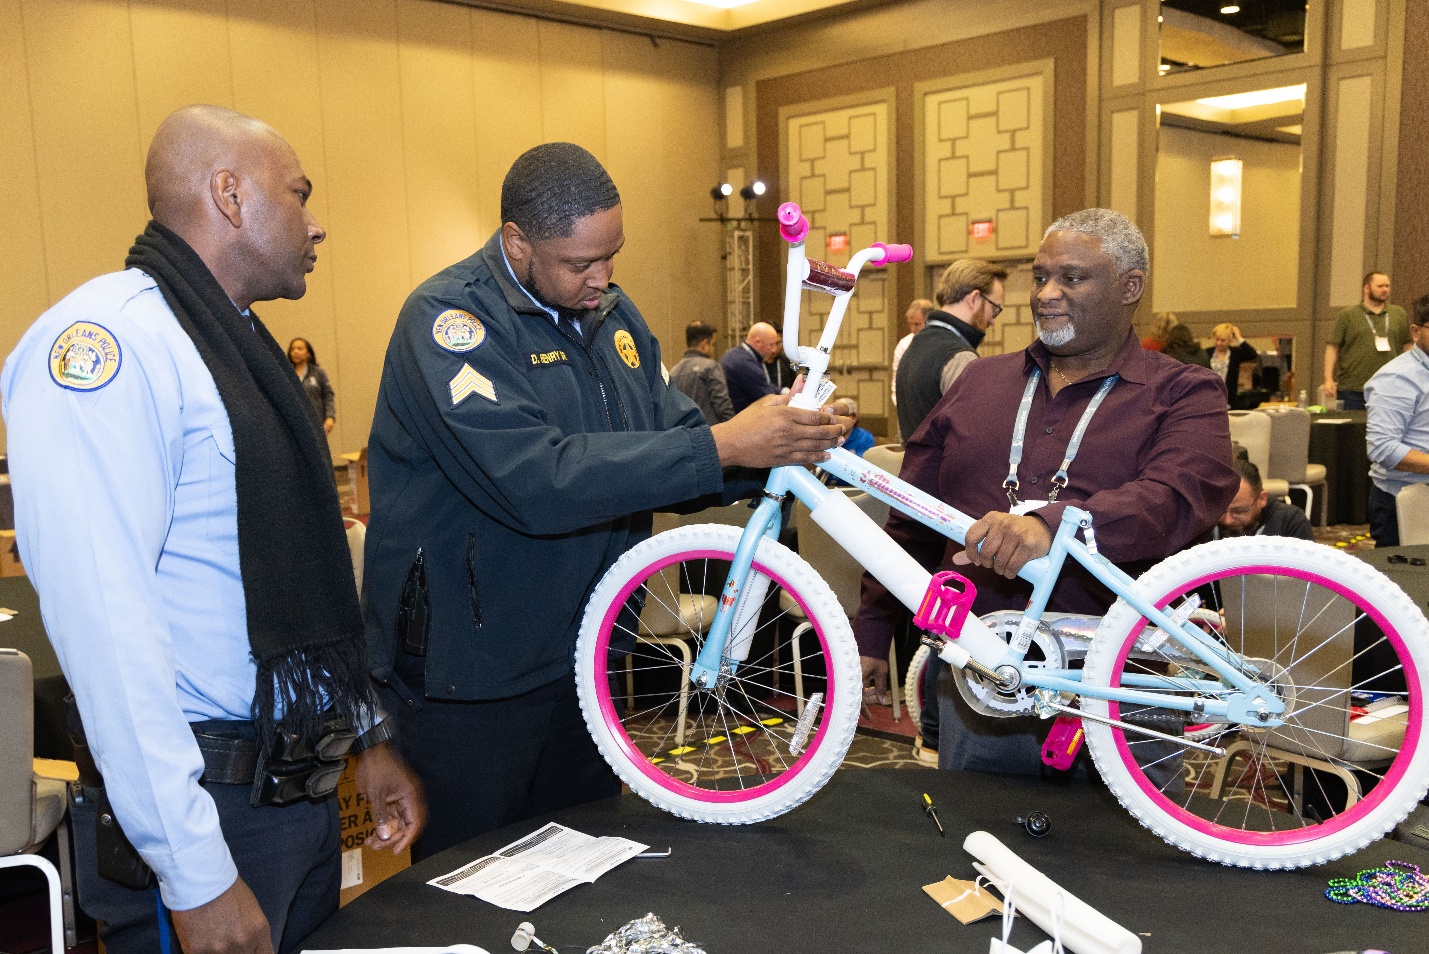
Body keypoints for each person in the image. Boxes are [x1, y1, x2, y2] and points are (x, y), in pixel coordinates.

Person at [1, 105, 422, 954]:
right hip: (205, 813)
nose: (317, 222)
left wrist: (364, 740)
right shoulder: (109, 345)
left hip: (294, 792)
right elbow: (106, 633)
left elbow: (295, 578)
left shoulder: (237, 345)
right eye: (298, 195)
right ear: (229, 195)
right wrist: (192, 869)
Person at [362, 142, 852, 861]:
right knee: (471, 888)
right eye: (580, 263)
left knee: (588, 870)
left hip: (585, 655)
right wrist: (725, 446)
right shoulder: (447, 324)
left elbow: (675, 443)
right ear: (517, 242)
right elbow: (535, 480)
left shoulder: (612, 319)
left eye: (612, 255)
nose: (603, 278)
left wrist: (778, 442)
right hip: (474, 674)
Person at [853, 208, 1238, 779]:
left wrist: (1054, 526)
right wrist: (873, 629)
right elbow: (912, 517)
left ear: (1130, 287)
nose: (1046, 294)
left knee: (1125, 859)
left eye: (1073, 278)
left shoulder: (1183, 392)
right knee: (976, 846)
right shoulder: (979, 384)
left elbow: (1177, 496)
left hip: (1121, 688)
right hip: (982, 679)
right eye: (1039, 277)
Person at [894, 259, 1007, 441]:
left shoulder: (914, 345)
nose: (993, 320)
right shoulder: (959, 357)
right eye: (995, 309)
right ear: (974, 299)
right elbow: (972, 439)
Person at [1364, 295, 1429, 547]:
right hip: (1402, 500)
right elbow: (1382, 448)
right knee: (1403, 584)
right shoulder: (1397, 378)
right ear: (1415, 331)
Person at [1325, 271, 1411, 410]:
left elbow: (1408, 346)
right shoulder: (1348, 315)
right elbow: (1332, 347)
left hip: (1389, 388)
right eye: (1380, 286)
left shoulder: (1398, 313)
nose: (1385, 290)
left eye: (1387, 286)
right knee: (1353, 430)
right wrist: (1328, 378)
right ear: (1366, 288)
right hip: (1353, 389)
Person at [1214, 458, 1314, 540]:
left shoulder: (1290, 522)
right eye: (1220, 511)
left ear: (1262, 499)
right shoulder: (1205, 520)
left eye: (1239, 511)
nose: (1228, 520)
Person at [669, 321, 735, 425]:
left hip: (685, 435)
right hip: (710, 433)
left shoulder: (673, 371)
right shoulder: (711, 367)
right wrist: (733, 426)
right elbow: (722, 405)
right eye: (713, 344)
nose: (713, 349)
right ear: (704, 344)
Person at [721, 321, 784, 412]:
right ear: (758, 342)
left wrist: (782, 390)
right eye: (771, 345)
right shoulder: (744, 364)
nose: (774, 350)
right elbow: (768, 396)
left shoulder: (736, 355)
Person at [890, 298, 934, 408]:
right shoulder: (904, 345)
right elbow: (896, 380)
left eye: (917, 324)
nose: (913, 329)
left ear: (929, 322)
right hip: (908, 407)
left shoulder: (942, 343)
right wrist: (900, 405)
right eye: (910, 324)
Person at [1205, 322, 1261, 407]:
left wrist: (1239, 338)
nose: (1219, 343)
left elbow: (1252, 354)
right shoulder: (1207, 353)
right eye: (1216, 339)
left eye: (1223, 340)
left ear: (1229, 341)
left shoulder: (1235, 353)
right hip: (1209, 399)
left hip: (1229, 401)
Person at [289, 337, 336, 435]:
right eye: (292, 349)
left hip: (316, 423)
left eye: (299, 348)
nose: (295, 352)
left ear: (308, 353)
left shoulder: (318, 373)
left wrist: (330, 417)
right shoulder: (286, 374)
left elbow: (328, 396)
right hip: (293, 424)